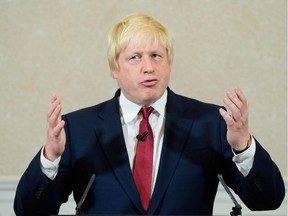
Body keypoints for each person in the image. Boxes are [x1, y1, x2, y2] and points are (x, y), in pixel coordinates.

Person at [14, 13, 285, 216]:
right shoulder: (77, 129)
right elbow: (29, 209)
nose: (148, 67)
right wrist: (50, 157)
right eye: (135, 58)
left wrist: (243, 146)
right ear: (115, 69)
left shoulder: (211, 123)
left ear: (169, 63)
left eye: (157, 55)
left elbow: (268, 200)